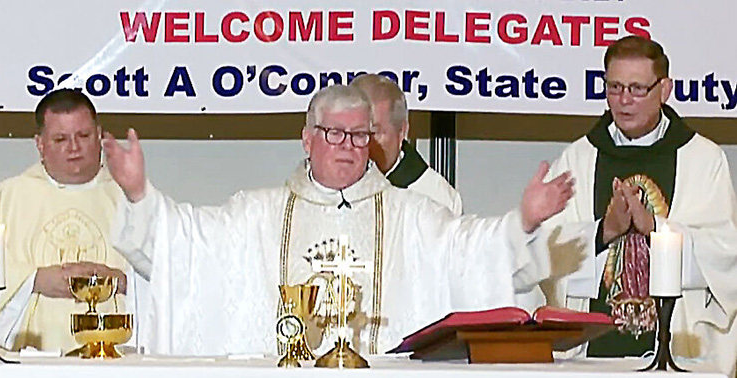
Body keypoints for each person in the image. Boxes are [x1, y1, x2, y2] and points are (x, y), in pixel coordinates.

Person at [104, 84, 573, 356]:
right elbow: (181, 244)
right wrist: (138, 193)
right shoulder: (256, 214)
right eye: (334, 133)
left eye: (359, 135)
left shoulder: (411, 216)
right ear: (307, 140)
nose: (348, 145)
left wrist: (523, 222)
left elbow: (470, 249)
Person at [535, 36, 737, 376]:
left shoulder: (703, 159)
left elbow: (726, 255)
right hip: (591, 358)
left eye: (637, 88)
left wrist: (655, 228)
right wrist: (605, 230)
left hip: (680, 351)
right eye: (614, 87)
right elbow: (543, 253)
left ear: (665, 89)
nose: (624, 100)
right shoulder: (578, 159)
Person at [0, 89, 147, 354]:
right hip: (28, 360)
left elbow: (168, 277)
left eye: (83, 136)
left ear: (99, 135)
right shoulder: (6, 198)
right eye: (60, 139)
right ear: (40, 144)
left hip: (114, 361)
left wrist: (121, 282)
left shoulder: (133, 198)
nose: (73, 148)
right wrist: (35, 280)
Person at [351, 74, 463, 215]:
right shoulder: (324, 180)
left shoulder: (436, 198)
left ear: (402, 131)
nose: (360, 143)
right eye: (354, 132)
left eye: (373, 133)